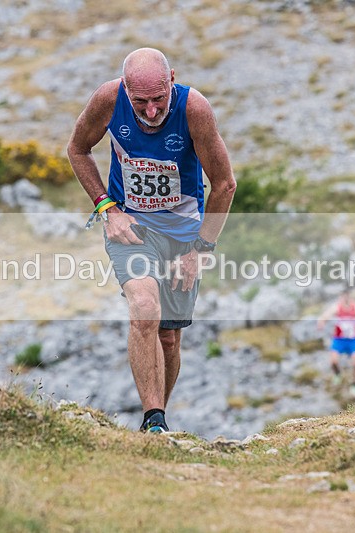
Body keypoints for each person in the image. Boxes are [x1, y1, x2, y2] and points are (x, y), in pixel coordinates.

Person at [67, 48, 236, 433]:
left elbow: (225, 185)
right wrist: (107, 207)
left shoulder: (195, 110)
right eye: (140, 101)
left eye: (158, 99)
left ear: (172, 79)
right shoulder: (108, 99)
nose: (151, 111)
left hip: (183, 235)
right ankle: (153, 421)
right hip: (132, 228)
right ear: (124, 88)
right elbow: (77, 149)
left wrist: (200, 251)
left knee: (170, 339)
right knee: (144, 306)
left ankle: (159, 417)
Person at [317, 287, 355, 397]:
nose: (345, 299)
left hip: (353, 340)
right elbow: (324, 316)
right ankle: (338, 374)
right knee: (333, 361)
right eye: (343, 297)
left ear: (350, 297)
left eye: (347, 297)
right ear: (340, 297)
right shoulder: (336, 307)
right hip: (339, 340)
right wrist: (321, 322)